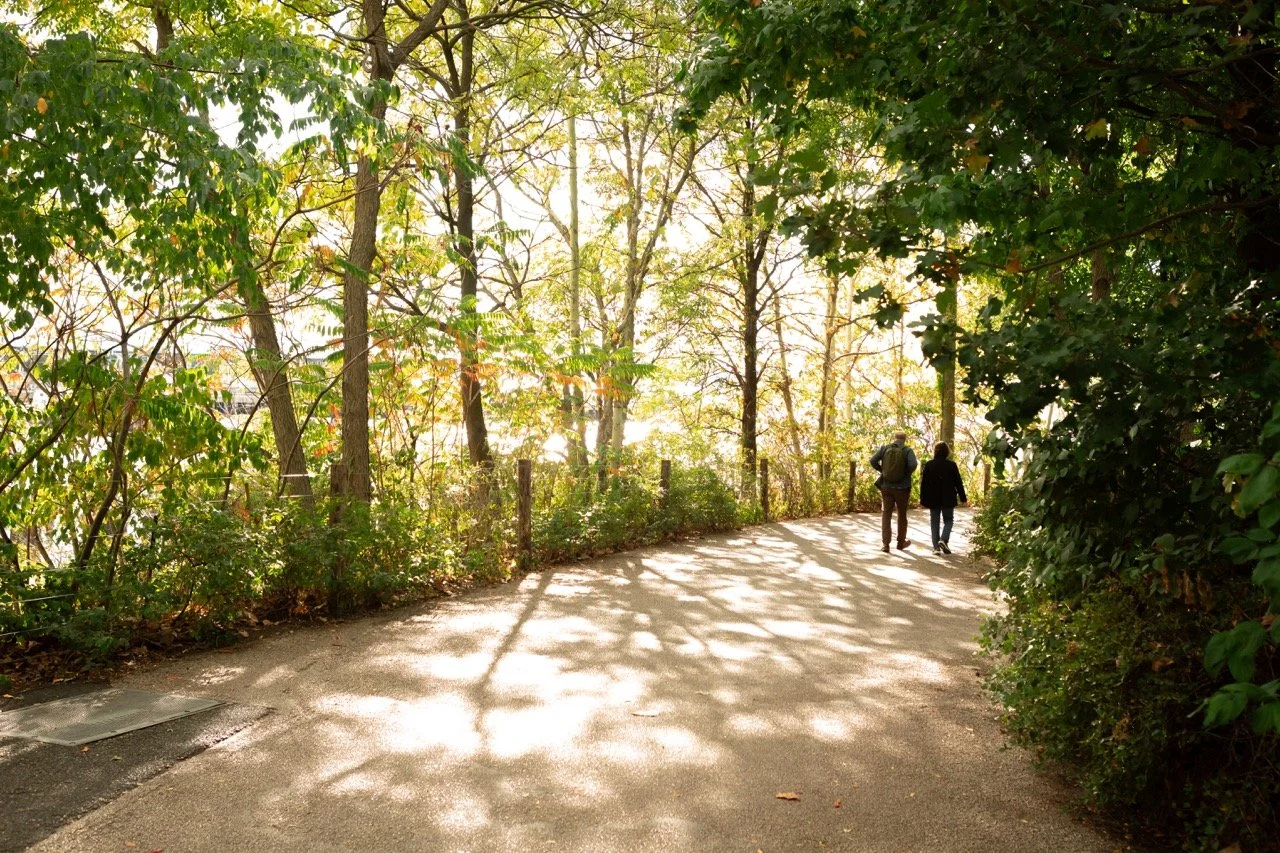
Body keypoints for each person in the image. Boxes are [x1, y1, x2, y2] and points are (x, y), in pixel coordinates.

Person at [870, 431, 918, 552]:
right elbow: (913, 464)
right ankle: (901, 543)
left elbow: (872, 461)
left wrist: (882, 471)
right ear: (904, 439)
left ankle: (886, 545)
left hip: (886, 486)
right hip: (903, 487)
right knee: (902, 515)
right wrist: (905, 473)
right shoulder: (907, 450)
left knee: (886, 514)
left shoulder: (885, 448)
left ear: (894, 438)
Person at [919, 441, 968, 555]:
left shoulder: (929, 464)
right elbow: (958, 483)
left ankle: (936, 548)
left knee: (934, 522)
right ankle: (943, 539)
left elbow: (924, 484)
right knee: (948, 520)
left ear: (935, 451)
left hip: (933, 498)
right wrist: (963, 498)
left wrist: (922, 499)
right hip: (948, 497)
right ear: (947, 452)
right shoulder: (952, 465)